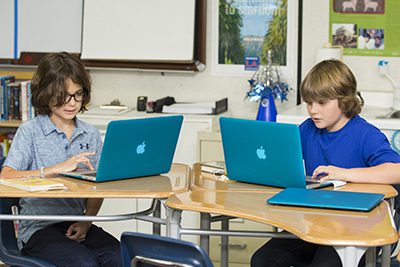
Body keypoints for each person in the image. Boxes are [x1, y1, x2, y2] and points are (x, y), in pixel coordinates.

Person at [251, 59, 400, 267]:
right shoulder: (307, 128)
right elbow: (280, 160)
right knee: (263, 260)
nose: (313, 110)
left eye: (322, 103)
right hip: (315, 223)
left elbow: (396, 171)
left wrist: (345, 174)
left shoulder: (365, 134)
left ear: (344, 100)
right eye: (309, 102)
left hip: (355, 229)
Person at [0, 52, 122, 267]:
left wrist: (87, 222)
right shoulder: (31, 131)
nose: (71, 103)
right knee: (83, 263)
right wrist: (55, 169)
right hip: (38, 229)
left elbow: (98, 188)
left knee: (119, 257)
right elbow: (6, 176)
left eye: (78, 94)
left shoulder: (90, 134)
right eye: (63, 95)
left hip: (78, 223)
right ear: (46, 93)